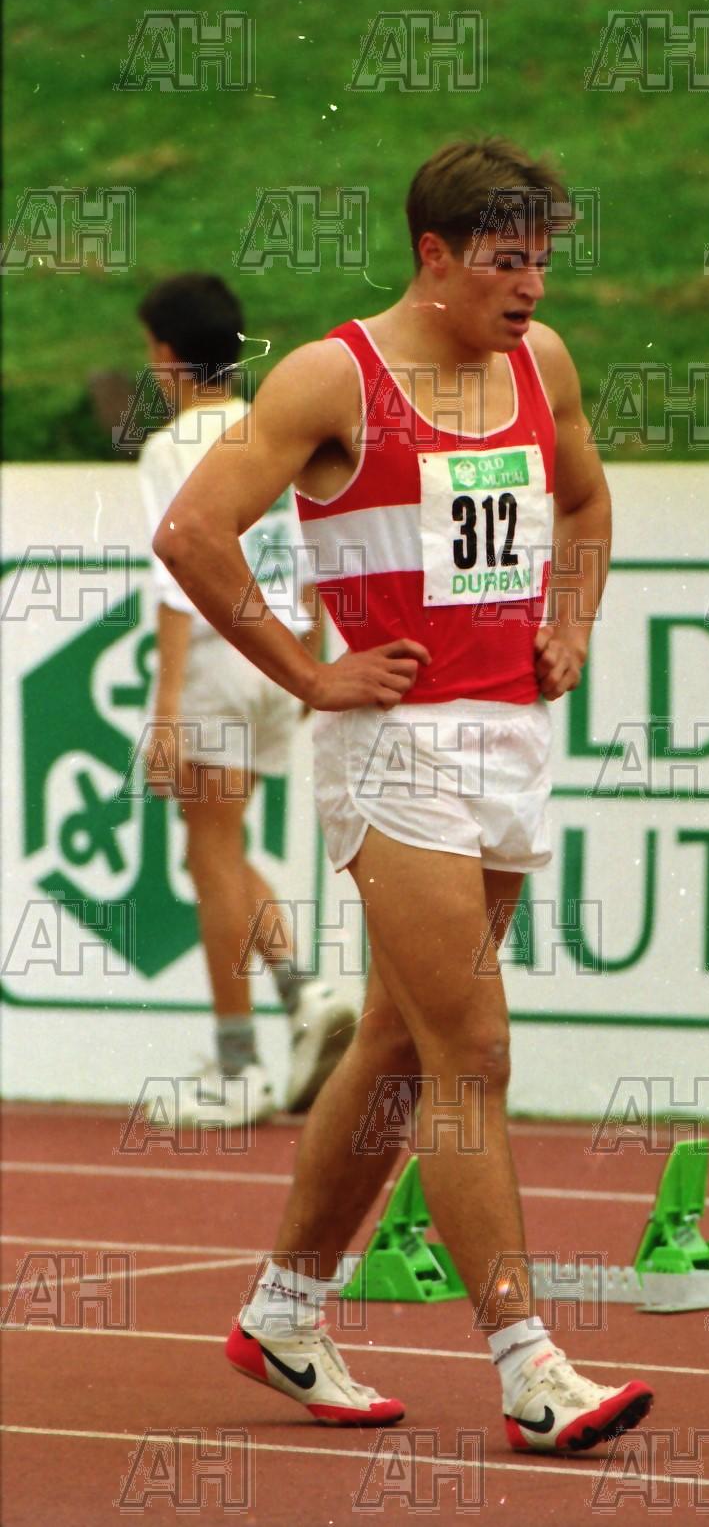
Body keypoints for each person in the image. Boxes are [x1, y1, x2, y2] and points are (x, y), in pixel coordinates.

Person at [151, 139, 653, 1454]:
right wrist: (309, 675)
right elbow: (192, 534)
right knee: (471, 1053)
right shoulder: (336, 378)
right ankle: (531, 1369)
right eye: (505, 262)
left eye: (542, 261)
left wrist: (572, 621)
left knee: (393, 1042)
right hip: (396, 749)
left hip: (510, 740)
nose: (531, 286)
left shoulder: (541, 365)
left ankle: (281, 1314)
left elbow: (587, 504)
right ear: (434, 254)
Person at [136, 274, 357, 1125]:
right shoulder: (274, 429)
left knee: (209, 854)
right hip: (278, 655)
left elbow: (177, 575)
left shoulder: (172, 447)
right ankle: (305, 992)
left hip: (219, 655)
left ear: (167, 355)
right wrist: (311, 660)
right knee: (217, 852)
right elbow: (315, 553)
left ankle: (239, 1066)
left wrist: (165, 711)